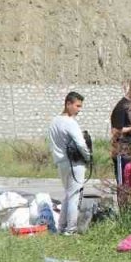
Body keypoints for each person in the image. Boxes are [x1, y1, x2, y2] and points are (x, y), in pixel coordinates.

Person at [48, 91, 92, 234]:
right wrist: (88, 157)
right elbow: (81, 143)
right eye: (77, 106)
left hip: (61, 163)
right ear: (68, 104)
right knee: (74, 197)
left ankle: (61, 227)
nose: (79, 109)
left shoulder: (54, 121)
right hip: (75, 164)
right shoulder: (70, 122)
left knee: (68, 195)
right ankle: (71, 230)